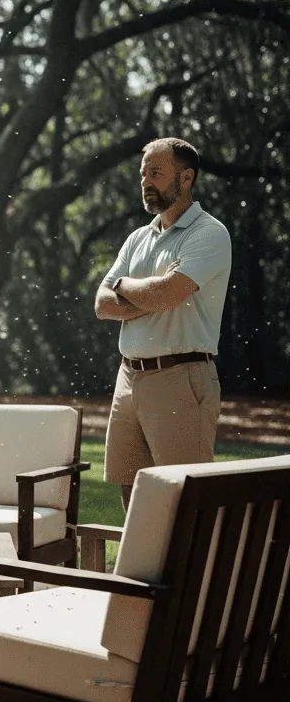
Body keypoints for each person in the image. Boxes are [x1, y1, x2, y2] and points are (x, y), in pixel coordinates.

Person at [95, 137, 232, 509]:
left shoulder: (209, 233)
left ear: (186, 178)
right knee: (133, 490)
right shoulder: (138, 238)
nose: (145, 182)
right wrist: (141, 291)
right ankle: (140, 569)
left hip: (181, 377)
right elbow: (103, 304)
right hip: (129, 378)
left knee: (184, 497)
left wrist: (127, 288)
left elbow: (167, 294)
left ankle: (191, 570)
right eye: (143, 174)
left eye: (156, 173)